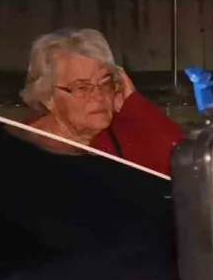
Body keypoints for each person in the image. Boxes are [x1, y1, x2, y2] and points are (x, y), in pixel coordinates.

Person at [20, 28, 184, 176]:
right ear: (48, 97)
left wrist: (134, 105)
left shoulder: (123, 132)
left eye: (105, 84)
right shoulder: (24, 145)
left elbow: (184, 164)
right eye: (82, 87)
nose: (99, 96)